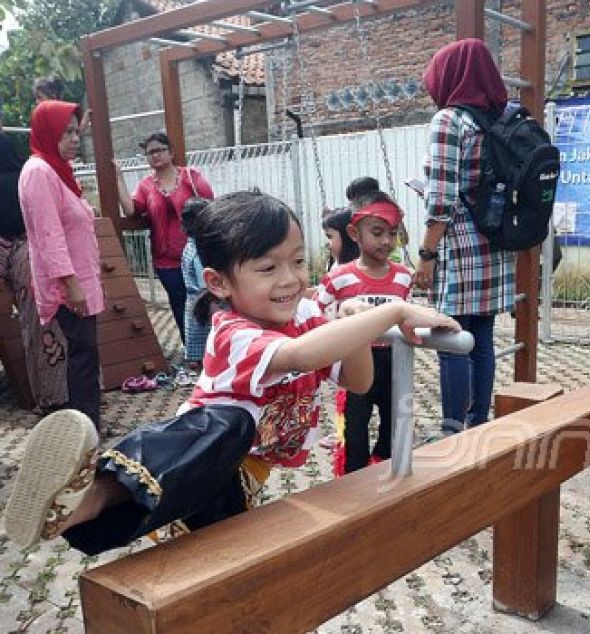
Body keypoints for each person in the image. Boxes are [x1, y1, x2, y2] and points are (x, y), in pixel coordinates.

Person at [1, 190, 459, 553]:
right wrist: (393, 311)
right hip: (189, 465)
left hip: (238, 481)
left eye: (298, 261)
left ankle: (67, 510)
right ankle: (88, 494)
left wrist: (353, 318)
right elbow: (299, 356)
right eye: (267, 267)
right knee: (230, 422)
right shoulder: (232, 331)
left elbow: (359, 382)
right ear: (218, 282)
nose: (290, 279)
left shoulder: (304, 314)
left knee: (224, 574)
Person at [416, 39, 515, 437]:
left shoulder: (450, 120)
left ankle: (452, 430)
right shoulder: (504, 116)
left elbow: (441, 199)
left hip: (459, 247)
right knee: (483, 338)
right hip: (496, 242)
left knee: (449, 337)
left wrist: (426, 253)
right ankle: (477, 424)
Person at [18, 101, 103, 430]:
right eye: (66, 132)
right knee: (81, 361)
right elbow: (49, 235)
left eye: (76, 131)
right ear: (48, 132)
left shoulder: (55, 171)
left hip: (79, 281)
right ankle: (85, 434)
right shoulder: (38, 172)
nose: (75, 138)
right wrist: (71, 286)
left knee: (85, 358)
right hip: (69, 287)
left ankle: (87, 428)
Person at [316, 193, 413, 473]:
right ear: (354, 233)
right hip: (354, 366)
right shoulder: (338, 277)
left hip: (394, 364)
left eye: (392, 233)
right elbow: (315, 314)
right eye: (378, 232)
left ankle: (385, 480)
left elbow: (406, 316)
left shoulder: (404, 277)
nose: (386, 241)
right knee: (352, 433)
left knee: (394, 429)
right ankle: (351, 489)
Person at [115, 132, 215, 343]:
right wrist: (118, 178)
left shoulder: (191, 177)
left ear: (171, 152)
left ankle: (214, 348)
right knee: (180, 304)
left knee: (206, 301)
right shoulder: (146, 186)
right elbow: (131, 210)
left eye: (159, 150)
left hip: (198, 255)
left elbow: (211, 209)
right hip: (166, 260)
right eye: (150, 152)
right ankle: (191, 352)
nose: (155, 155)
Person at [0, 120, 69, 411]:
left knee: (37, 330)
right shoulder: (26, 175)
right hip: (47, 256)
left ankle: (50, 399)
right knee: (61, 328)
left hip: (20, 259)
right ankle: (76, 392)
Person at [179, 198, 210, 374]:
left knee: (197, 341)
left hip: (194, 301)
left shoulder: (190, 246)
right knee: (205, 342)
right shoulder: (198, 251)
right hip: (203, 303)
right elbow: (204, 284)